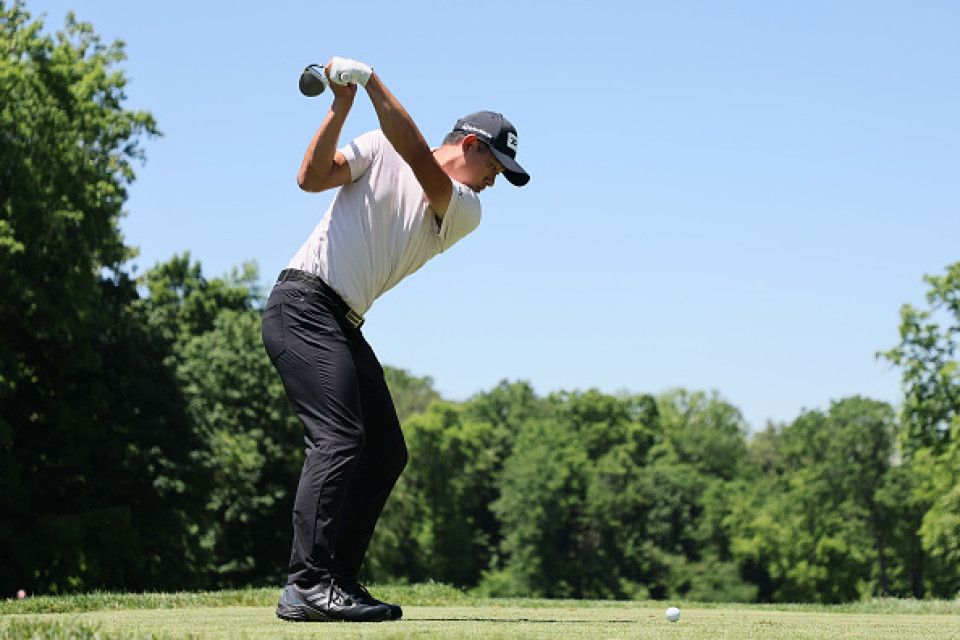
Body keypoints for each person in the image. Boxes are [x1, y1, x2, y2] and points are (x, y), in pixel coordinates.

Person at [261, 57, 529, 623]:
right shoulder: (377, 147)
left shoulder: (463, 209)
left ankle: (337, 582)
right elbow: (311, 179)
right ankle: (307, 584)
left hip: (341, 320)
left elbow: (414, 155)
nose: (495, 180)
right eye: (497, 165)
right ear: (472, 144)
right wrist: (340, 107)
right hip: (303, 305)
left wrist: (370, 80)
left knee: (385, 452)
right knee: (338, 439)